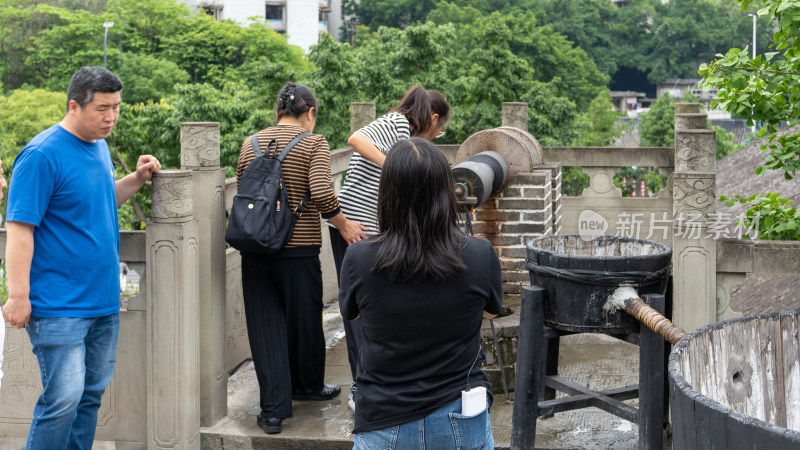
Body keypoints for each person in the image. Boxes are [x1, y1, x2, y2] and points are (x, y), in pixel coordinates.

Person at [3, 66, 161, 450]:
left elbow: (100, 199)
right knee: (63, 400)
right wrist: (18, 295)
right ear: (74, 106)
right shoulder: (41, 154)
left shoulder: (99, 146)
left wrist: (136, 179)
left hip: (103, 300)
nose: (111, 118)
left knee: (89, 397)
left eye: (117, 108)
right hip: (59, 304)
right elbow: (20, 229)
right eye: (103, 109)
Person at [339, 137, 502, 449]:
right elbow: (489, 312)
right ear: (445, 190)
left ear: (387, 193)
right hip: (460, 412)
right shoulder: (480, 253)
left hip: (383, 417)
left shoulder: (359, 257)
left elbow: (355, 312)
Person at [236, 82, 367, 435]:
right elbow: (323, 192)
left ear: (277, 111)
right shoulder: (313, 143)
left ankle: (274, 411)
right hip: (298, 248)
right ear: (310, 113)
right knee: (304, 319)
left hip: (255, 249)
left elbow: (241, 190)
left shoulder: (250, 144)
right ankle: (307, 387)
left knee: (266, 328)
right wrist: (343, 225)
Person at [328, 85, 450, 410]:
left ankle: (376, 380)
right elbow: (355, 138)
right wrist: (395, 165)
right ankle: (360, 388)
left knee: (376, 307)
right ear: (433, 118)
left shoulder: (405, 135)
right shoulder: (396, 122)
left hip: (375, 229)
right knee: (358, 310)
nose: (437, 136)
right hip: (355, 228)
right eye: (440, 130)